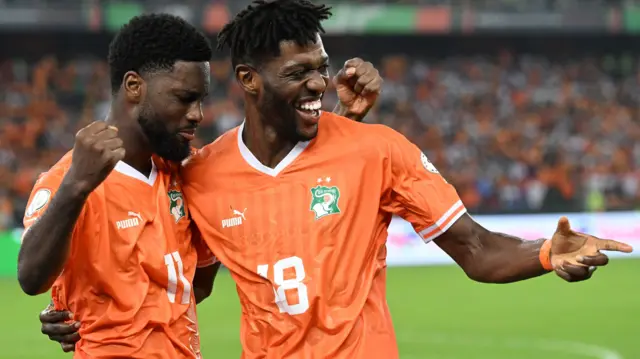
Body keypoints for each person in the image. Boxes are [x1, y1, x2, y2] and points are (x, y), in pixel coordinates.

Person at [40, 1, 634, 358]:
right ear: (249, 79)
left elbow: (476, 251)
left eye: (321, 69)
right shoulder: (201, 177)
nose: (319, 83)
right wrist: (85, 317)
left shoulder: (378, 150)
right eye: (298, 72)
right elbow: (188, 284)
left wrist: (543, 252)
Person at [17, 14, 220, 358]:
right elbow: (31, 278)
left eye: (201, 99)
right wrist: (75, 187)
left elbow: (195, 285)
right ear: (134, 86)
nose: (198, 114)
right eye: (185, 97)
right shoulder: (70, 178)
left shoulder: (187, 171)